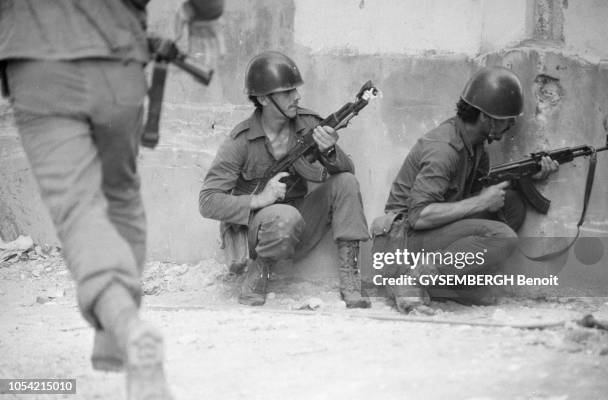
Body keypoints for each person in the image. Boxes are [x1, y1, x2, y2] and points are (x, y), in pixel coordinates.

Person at [0, 1, 223, 399]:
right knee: (120, 193)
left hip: (38, 61)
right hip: (118, 59)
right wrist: (204, 14)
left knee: (79, 208)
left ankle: (127, 327)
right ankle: (113, 335)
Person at [373, 66, 559, 314]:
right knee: (503, 237)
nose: (512, 124)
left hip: (429, 234)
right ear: (486, 117)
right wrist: (481, 203)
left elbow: (471, 191)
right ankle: (411, 278)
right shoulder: (444, 149)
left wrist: (528, 174)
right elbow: (419, 216)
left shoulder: (476, 145)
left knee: (511, 205)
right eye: (507, 118)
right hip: (401, 241)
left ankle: (443, 282)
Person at [199, 51, 371, 308]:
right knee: (283, 216)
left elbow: (348, 169)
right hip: (262, 229)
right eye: (287, 92)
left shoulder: (309, 123)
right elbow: (208, 201)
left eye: (296, 90)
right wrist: (259, 199)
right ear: (263, 99)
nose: (297, 96)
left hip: (303, 219)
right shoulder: (241, 141)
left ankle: (350, 277)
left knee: (346, 181)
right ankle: (259, 274)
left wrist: (330, 151)